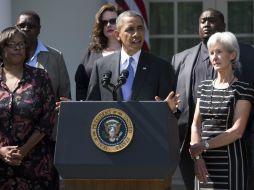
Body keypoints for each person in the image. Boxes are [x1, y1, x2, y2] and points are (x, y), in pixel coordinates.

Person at [171, 8, 254, 190]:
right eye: (202, 21)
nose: (206, 24)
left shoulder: (248, 59)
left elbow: (237, 130)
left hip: (234, 153)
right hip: (194, 152)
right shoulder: (181, 60)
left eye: (212, 20)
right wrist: (198, 154)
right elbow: (192, 120)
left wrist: (204, 146)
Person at [189, 31, 254, 189]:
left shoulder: (243, 89)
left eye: (219, 52)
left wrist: (204, 145)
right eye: (211, 53)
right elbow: (196, 125)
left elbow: (237, 131)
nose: (214, 57)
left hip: (231, 163)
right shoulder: (203, 87)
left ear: (232, 55)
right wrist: (198, 158)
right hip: (203, 164)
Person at [15, 10, 71, 190]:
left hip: (47, 139)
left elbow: (66, 96)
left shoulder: (55, 57)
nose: (25, 29)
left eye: (30, 26)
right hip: (14, 138)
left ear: (39, 29)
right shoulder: (8, 57)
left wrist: (64, 104)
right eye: (21, 26)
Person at [0, 26, 56, 189]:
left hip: (34, 165)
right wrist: (1, 151)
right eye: (12, 44)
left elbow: (48, 119)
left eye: (21, 44)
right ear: (2, 48)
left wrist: (24, 150)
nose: (18, 48)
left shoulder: (40, 77)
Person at [87, 10, 176, 103]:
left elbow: (171, 109)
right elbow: (91, 107)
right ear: (117, 35)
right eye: (130, 29)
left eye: (140, 28)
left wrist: (168, 109)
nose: (136, 34)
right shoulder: (101, 66)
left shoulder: (160, 67)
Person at [75, 4, 122, 101]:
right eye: (104, 22)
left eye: (113, 21)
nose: (108, 25)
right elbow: (80, 82)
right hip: (94, 110)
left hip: (123, 109)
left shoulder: (129, 52)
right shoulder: (92, 52)